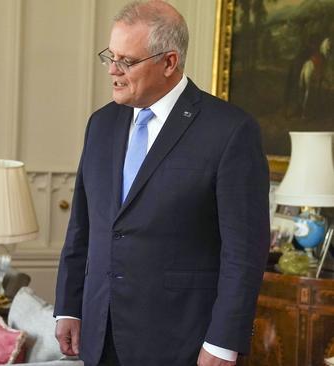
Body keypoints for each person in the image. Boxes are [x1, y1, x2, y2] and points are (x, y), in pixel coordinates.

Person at [53, 1, 269, 366]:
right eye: (110, 56)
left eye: (127, 61)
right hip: (99, 333)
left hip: (181, 341)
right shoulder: (101, 124)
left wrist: (222, 343)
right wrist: (68, 307)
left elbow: (244, 251)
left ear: (169, 62)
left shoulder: (230, 131)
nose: (113, 71)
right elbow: (83, 227)